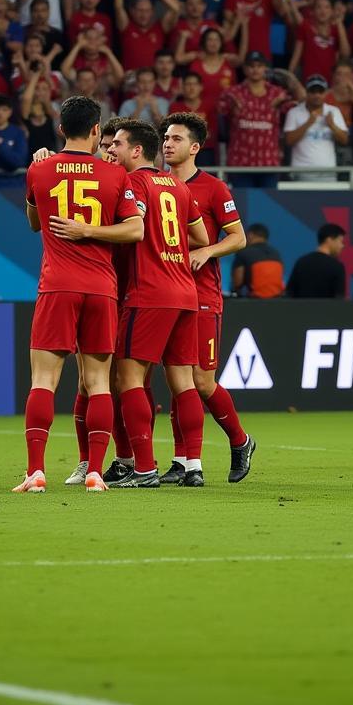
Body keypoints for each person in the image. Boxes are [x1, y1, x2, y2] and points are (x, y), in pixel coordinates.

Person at [15, 95, 143, 493]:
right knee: (98, 382)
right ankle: (95, 472)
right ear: (95, 131)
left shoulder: (39, 170)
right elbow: (134, 230)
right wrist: (92, 230)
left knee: (43, 380)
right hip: (101, 288)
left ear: (59, 130)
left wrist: (38, 176)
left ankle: (35, 471)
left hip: (57, 285)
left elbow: (35, 222)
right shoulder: (114, 175)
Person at [99, 118, 209, 487]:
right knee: (183, 381)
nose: (111, 150)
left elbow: (136, 228)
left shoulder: (133, 183)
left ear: (136, 150)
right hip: (185, 291)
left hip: (149, 293)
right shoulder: (176, 184)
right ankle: (193, 466)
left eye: (117, 145)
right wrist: (170, 247)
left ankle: (143, 468)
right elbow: (202, 234)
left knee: (126, 378)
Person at [160, 112, 254, 484]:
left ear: (195, 147)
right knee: (176, 380)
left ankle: (240, 440)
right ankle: (183, 461)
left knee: (201, 380)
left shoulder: (214, 189)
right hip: (167, 295)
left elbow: (239, 237)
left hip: (203, 295)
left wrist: (208, 251)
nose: (168, 143)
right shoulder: (157, 184)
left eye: (177, 138)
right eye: (166, 137)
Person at [218, 52, 291, 187]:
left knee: (268, 207)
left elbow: (300, 105)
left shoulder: (278, 94)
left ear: (265, 69)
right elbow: (220, 118)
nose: (255, 69)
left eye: (259, 66)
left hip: (268, 163)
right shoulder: (232, 93)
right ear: (245, 69)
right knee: (242, 208)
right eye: (251, 66)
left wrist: (289, 78)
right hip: (240, 163)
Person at [284, 74, 349, 180]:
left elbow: (345, 140)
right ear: (306, 92)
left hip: (328, 173)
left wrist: (332, 126)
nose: (317, 95)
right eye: (313, 91)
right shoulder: (294, 112)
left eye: (320, 91)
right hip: (301, 173)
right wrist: (308, 123)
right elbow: (289, 141)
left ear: (325, 93)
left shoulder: (334, 111)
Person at [286, 223, 347, 298]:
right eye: (341, 241)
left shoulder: (301, 262)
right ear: (329, 240)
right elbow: (339, 299)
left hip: (301, 309)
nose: (342, 246)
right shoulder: (337, 266)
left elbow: (289, 293)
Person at [231, 223, 284, 298]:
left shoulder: (243, 253)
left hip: (254, 302)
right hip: (278, 301)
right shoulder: (276, 254)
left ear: (251, 235)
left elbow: (237, 282)